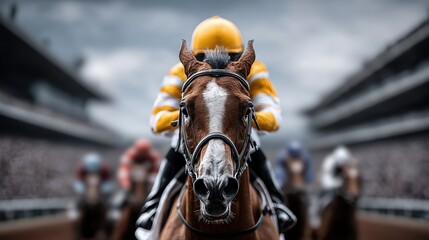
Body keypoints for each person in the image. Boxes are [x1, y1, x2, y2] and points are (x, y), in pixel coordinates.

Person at [137, 16, 296, 233]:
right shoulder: (178, 71)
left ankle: (277, 204)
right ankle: (153, 206)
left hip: (237, 132)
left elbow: (273, 115)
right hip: (193, 132)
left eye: (232, 58)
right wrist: (195, 115)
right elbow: (156, 120)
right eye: (203, 58)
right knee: (176, 147)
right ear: (194, 58)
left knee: (253, 144)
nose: (215, 66)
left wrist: (242, 116)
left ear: (240, 57)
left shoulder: (254, 69)